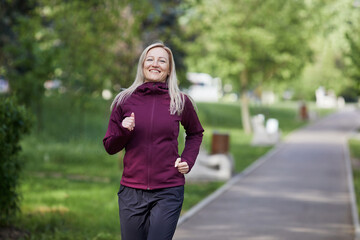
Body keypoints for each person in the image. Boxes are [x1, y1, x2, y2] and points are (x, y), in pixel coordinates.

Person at [103, 42, 204, 240]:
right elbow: (110, 146)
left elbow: (195, 133)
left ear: (169, 69)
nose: (155, 64)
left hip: (168, 190)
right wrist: (124, 131)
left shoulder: (180, 101)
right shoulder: (124, 100)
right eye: (150, 59)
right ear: (142, 65)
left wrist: (187, 160)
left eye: (162, 60)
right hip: (131, 191)